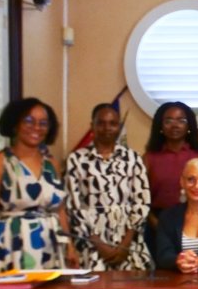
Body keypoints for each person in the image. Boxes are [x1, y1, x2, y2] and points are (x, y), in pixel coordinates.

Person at [0, 98, 80, 272]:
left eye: (43, 123)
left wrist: (70, 246)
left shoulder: (52, 164)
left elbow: (60, 210)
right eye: (29, 121)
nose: (36, 128)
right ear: (15, 124)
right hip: (14, 244)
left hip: (52, 244)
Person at [64, 102, 152, 271]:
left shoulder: (132, 158)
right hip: (91, 242)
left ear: (119, 126)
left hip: (128, 241)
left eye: (112, 123)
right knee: (94, 285)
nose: (107, 128)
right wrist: (99, 244)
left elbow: (142, 201)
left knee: (134, 285)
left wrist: (125, 244)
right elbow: (74, 205)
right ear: (92, 125)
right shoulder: (77, 160)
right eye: (101, 123)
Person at [144, 101, 198, 242]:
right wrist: (157, 224)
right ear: (160, 126)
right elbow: (141, 199)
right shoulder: (149, 158)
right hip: (157, 223)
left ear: (189, 126)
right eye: (168, 121)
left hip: (197, 224)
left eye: (181, 120)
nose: (175, 125)